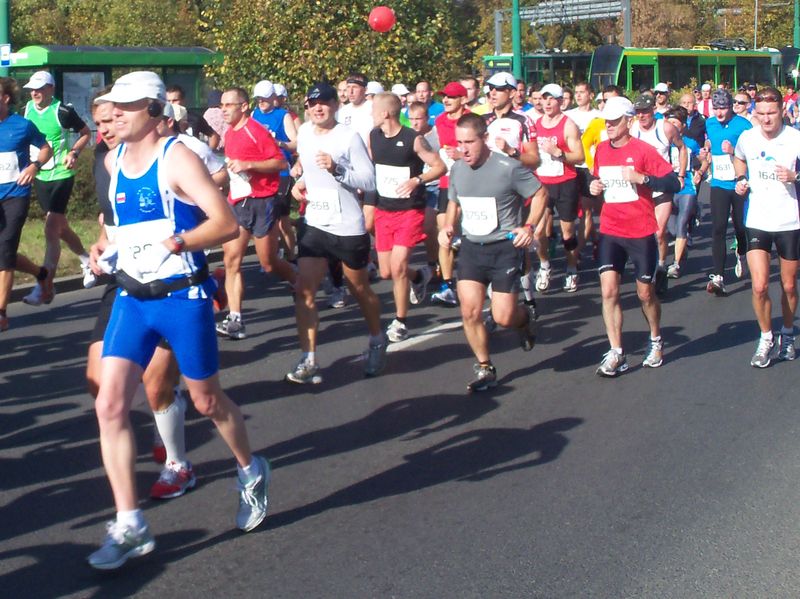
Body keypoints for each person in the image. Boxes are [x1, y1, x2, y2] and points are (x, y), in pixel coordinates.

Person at [86, 71, 270, 571]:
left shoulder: (179, 156)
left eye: (125, 108)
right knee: (109, 402)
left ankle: (251, 470)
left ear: (152, 111)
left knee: (207, 400)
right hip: (133, 296)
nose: (114, 116)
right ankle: (130, 523)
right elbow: (123, 229)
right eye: (111, 108)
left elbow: (225, 223)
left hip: (182, 295)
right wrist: (105, 249)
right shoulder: (112, 159)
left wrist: (179, 243)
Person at [287, 82, 387, 383]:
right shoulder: (304, 133)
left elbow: (369, 181)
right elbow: (306, 165)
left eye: (325, 103)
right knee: (304, 290)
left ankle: (377, 338)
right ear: (307, 107)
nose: (319, 108)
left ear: (335, 106)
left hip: (347, 226)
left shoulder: (348, 137)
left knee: (359, 289)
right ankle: (309, 358)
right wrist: (301, 180)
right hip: (316, 223)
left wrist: (337, 170)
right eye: (313, 103)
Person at [438, 113, 546, 391]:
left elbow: (540, 193)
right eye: (459, 142)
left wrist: (529, 227)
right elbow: (454, 202)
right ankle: (485, 366)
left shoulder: (507, 167)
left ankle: (524, 321)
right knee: (470, 311)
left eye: (469, 142)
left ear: (484, 139)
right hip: (473, 248)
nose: (463, 149)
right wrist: (448, 226)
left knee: (503, 316)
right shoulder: (458, 169)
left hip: (504, 249)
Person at [589, 96, 680, 376]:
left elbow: (673, 182)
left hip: (640, 231)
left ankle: (655, 338)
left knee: (644, 293)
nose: (610, 126)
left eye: (615, 122)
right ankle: (617, 352)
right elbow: (596, 181)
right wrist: (594, 186)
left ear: (629, 122)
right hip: (610, 230)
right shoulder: (601, 150)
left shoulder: (644, 150)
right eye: (607, 122)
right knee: (609, 291)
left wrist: (643, 179)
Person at [365, 93, 446, 341]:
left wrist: (417, 180)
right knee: (387, 272)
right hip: (384, 210)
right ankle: (418, 276)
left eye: (373, 111)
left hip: (410, 210)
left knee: (398, 266)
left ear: (385, 114)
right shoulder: (374, 136)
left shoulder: (414, 139)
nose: (371, 115)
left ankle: (400, 322)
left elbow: (439, 166)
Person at [217, 86, 294, 340]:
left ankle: (300, 283)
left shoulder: (255, 131)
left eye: (229, 105)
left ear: (243, 107)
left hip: (263, 202)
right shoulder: (228, 133)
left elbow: (281, 163)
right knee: (232, 260)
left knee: (268, 263)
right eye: (222, 105)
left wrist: (250, 164)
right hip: (238, 202)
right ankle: (236, 319)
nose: (224, 110)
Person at [733, 87, 800, 367]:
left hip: (788, 220)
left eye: (771, 113)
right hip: (757, 219)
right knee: (759, 286)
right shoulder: (747, 137)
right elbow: (739, 159)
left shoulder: (795, 138)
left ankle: (787, 333)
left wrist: (794, 175)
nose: (766, 119)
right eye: (760, 114)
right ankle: (766, 336)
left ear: (782, 110)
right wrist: (740, 178)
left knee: (787, 285)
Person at [21, 70, 94, 306]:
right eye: (32, 89)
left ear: (51, 89)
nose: (35, 93)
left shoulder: (62, 111)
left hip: (62, 174)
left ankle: (44, 286)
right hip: (41, 176)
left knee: (50, 229)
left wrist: (74, 152)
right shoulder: (28, 110)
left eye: (40, 89)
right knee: (60, 228)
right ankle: (85, 259)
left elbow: (85, 133)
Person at [0, 77, 51, 332]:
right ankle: (41, 273)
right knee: (3, 252)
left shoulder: (21, 126)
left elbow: (45, 148)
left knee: (5, 247)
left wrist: (34, 166)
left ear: (5, 98)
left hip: (15, 195)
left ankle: (1, 313)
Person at [631, 94, 686, 295]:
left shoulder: (665, 128)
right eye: (638, 112)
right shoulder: (632, 129)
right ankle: (648, 267)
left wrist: (680, 174)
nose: (642, 116)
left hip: (662, 184)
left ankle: (661, 266)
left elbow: (682, 148)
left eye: (645, 111)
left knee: (659, 231)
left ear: (653, 110)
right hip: (642, 187)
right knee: (643, 232)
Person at [533, 83, 585, 293]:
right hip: (542, 183)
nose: (547, 102)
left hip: (565, 181)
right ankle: (545, 266)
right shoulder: (535, 123)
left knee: (567, 232)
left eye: (551, 99)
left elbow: (579, 156)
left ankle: (572, 268)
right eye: (544, 98)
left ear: (560, 102)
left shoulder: (568, 125)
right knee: (538, 232)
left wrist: (559, 153)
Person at [703, 88, 752, 296]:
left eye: (723, 108)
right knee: (718, 228)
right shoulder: (710, 123)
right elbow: (710, 144)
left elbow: (751, 152)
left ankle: (741, 251)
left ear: (731, 106)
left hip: (739, 183)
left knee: (740, 227)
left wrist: (733, 151)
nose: (719, 113)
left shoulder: (743, 125)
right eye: (716, 108)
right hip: (719, 183)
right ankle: (718, 276)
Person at [251, 80, 300, 260]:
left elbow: (296, 142)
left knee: (282, 220)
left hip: (281, 171)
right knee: (266, 218)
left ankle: (291, 257)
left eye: (264, 98)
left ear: (273, 98)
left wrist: (279, 143)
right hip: (261, 171)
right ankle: (271, 257)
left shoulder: (283, 115)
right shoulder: (254, 114)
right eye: (258, 99)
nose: (261, 102)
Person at [430, 81, 469, 305]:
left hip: (471, 181)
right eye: (444, 96)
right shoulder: (440, 120)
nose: (445, 100)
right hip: (447, 182)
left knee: (465, 233)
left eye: (451, 97)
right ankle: (448, 285)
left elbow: (484, 151)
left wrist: (461, 154)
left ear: (463, 100)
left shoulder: (472, 120)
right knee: (443, 231)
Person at [663, 106, 704, 279]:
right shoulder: (663, 142)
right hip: (667, 186)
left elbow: (704, 160)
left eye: (675, 122)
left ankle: (676, 264)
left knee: (682, 223)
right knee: (670, 228)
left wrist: (700, 173)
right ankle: (683, 244)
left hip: (686, 186)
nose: (671, 125)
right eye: (669, 122)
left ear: (682, 126)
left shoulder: (690, 143)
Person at [165, 84, 220, 149]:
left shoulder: (195, 118)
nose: (171, 103)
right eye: (168, 101)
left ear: (183, 101)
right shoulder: (161, 120)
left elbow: (213, 135)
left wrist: (208, 153)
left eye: (175, 100)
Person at [337, 72, 375, 144]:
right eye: (348, 87)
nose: (350, 92)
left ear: (365, 90)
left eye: (355, 87)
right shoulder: (342, 112)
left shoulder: (374, 108)